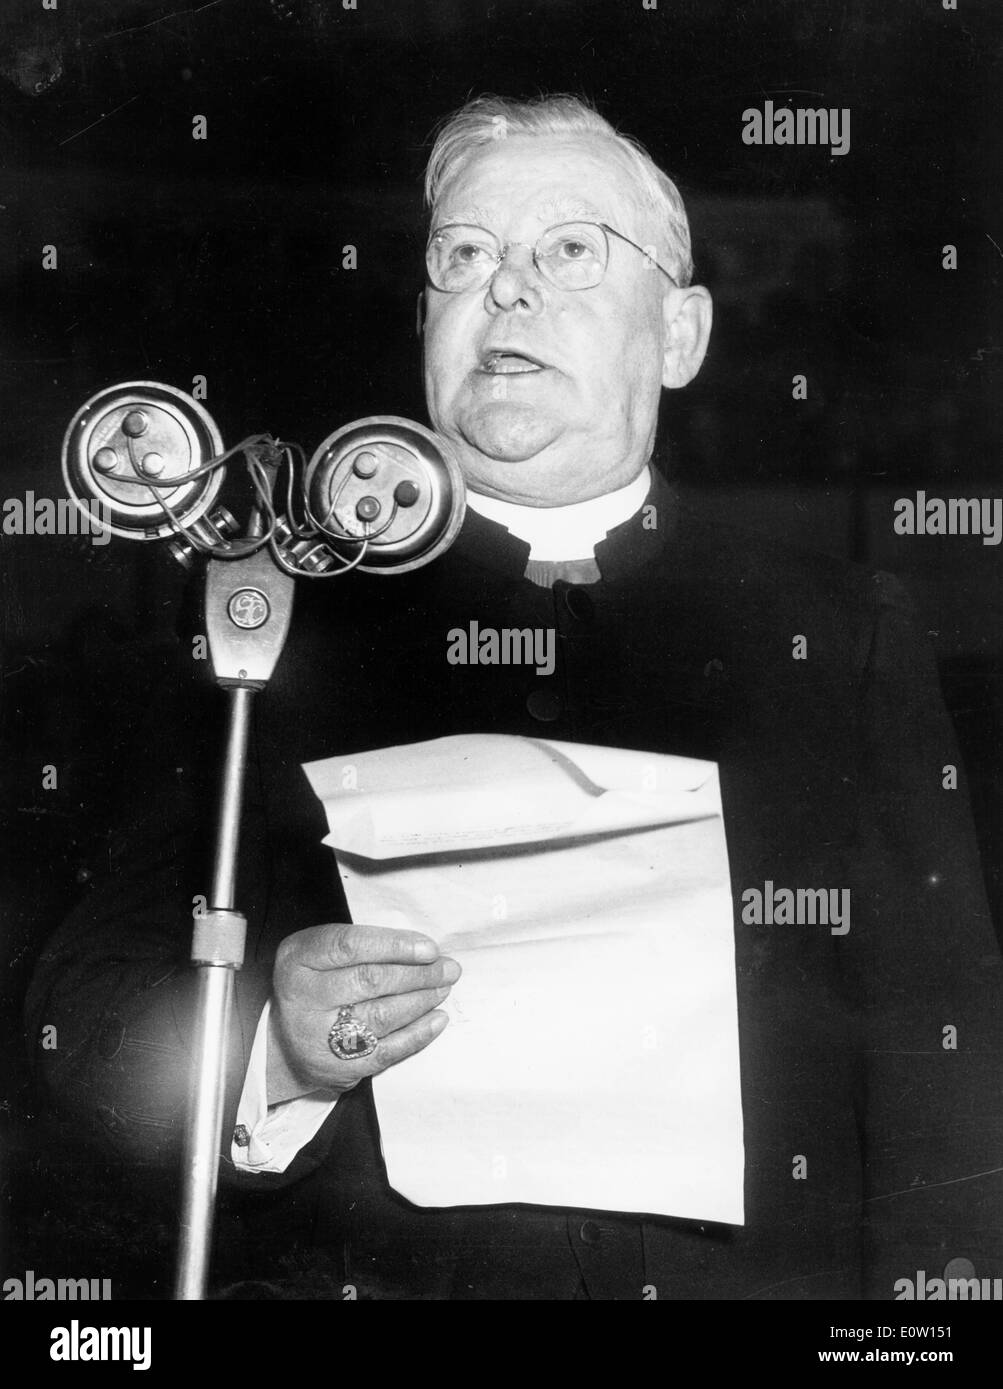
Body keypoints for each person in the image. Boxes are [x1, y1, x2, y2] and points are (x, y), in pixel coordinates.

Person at [28, 94, 1003, 1300]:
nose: (508, 290)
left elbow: (946, 1073)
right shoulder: (258, 615)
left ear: (682, 331)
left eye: (570, 250)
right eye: (464, 255)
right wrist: (275, 1049)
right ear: (424, 315)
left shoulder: (844, 636)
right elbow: (78, 1012)